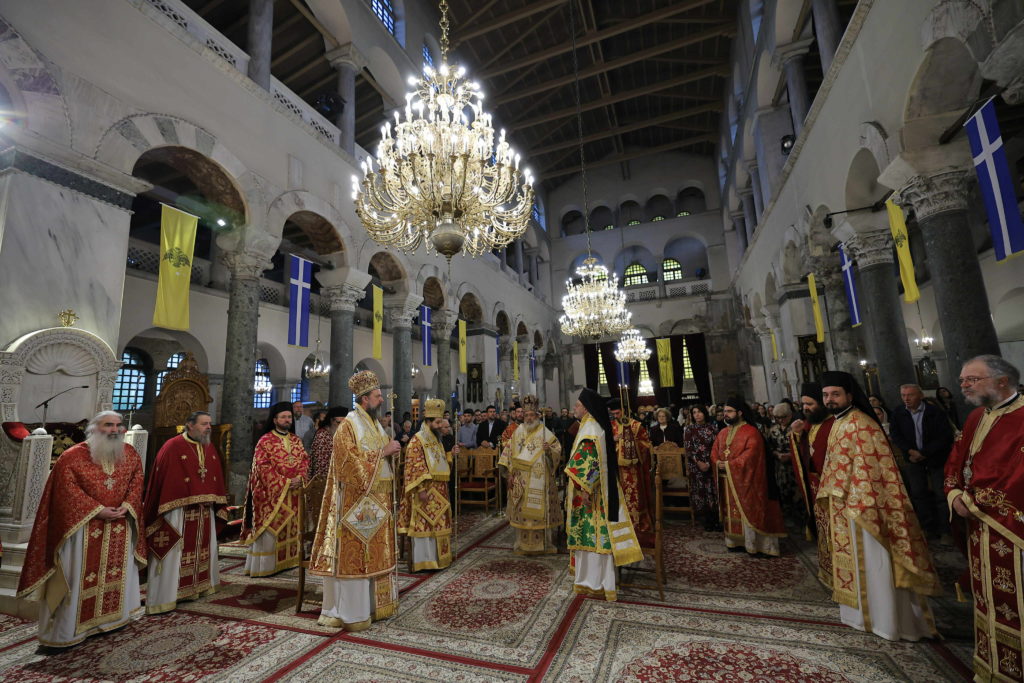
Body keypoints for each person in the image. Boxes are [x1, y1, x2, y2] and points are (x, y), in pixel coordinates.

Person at [818, 371, 940, 641]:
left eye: (835, 394)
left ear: (850, 395)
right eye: (826, 395)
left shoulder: (861, 424)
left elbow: (873, 471)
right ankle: (860, 616)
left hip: (866, 510)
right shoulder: (839, 422)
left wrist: (849, 496)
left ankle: (886, 620)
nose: (830, 400)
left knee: (876, 565)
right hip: (844, 507)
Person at [18, 411, 146, 648]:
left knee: (115, 574)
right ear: (94, 429)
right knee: (76, 579)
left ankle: (112, 620)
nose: (115, 430)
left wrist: (127, 506)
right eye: (109, 425)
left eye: (118, 425)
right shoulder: (72, 457)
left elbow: (137, 481)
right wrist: (98, 510)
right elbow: (66, 491)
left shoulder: (130, 454)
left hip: (119, 525)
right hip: (82, 531)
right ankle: (68, 633)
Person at [944, 355, 1023, 681]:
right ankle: (992, 667)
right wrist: (954, 494)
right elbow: (956, 461)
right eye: (963, 379)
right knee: (987, 600)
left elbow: (1017, 476)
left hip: (1012, 530)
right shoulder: (976, 417)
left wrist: (975, 503)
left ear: (1002, 380)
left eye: (971, 379)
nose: (963, 385)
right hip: (979, 529)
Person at [309, 370, 401, 631]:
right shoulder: (348, 426)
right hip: (354, 505)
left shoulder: (374, 425)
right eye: (377, 396)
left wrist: (392, 453)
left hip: (377, 503)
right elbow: (347, 464)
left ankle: (373, 607)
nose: (381, 400)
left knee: (374, 557)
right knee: (357, 557)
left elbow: (383, 457)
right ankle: (350, 612)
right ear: (364, 399)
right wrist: (383, 452)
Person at [144, 410, 228, 615]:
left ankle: (199, 587)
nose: (209, 427)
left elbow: (214, 478)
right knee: (174, 552)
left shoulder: (209, 447)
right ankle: (167, 596)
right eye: (204, 424)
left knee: (203, 548)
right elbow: (164, 481)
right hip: (176, 512)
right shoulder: (172, 447)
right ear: (190, 425)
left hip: (204, 511)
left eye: (209, 423)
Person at [565, 389, 643, 600]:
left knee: (594, 536)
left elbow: (588, 460)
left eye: (578, 405)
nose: (575, 408)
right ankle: (593, 581)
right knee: (593, 537)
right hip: (598, 490)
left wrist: (584, 487)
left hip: (592, 494)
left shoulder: (590, 428)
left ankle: (595, 582)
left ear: (587, 408)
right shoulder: (592, 426)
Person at [240, 401, 310, 577]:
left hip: (294, 494)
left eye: (289, 417)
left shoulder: (296, 440)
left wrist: (300, 478)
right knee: (271, 531)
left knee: (292, 528)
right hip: (271, 495)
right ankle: (265, 566)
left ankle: (289, 562)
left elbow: (304, 461)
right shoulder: (265, 441)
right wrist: (285, 481)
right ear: (275, 419)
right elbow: (262, 468)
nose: (287, 420)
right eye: (283, 417)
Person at [710, 397, 786, 556]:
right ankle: (735, 541)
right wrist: (717, 462)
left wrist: (730, 465)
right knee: (731, 511)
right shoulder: (723, 432)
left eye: (729, 411)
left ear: (740, 413)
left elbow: (752, 455)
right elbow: (715, 452)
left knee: (749, 509)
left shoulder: (751, 432)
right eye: (724, 412)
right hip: (728, 480)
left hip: (748, 481)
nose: (726, 415)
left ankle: (755, 544)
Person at [889, 383, 955, 542]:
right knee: (918, 494)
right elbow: (895, 434)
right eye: (903, 395)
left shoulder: (935, 412)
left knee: (941, 495)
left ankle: (946, 530)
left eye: (910, 395)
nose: (906, 399)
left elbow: (944, 437)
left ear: (920, 395)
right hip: (912, 459)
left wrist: (924, 453)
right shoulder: (899, 412)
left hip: (935, 458)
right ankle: (927, 528)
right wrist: (909, 451)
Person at [498, 395, 562, 555]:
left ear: (537, 416)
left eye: (532, 415)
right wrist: (510, 474)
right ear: (523, 416)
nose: (529, 418)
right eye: (526, 415)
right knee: (523, 514)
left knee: (541, 513)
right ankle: (521, 544)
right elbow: (508, 454)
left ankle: (544, 544)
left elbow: (557, 451)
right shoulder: (517, 432)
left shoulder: (544, 432)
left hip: (541, 478)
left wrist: (549, 451)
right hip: (521, 479)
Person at [398, 399, 455, 571]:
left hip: (440, 490)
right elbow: (414, 465)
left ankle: (439, 559)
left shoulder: (436, 439)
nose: (440, 425)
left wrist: (451, 456)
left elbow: (440, 463)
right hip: (425, 491)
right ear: (428, 421)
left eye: (440, 422)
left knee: (437, 525)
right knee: (425, 526)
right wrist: (421, 489)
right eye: (437, 422)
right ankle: (425, 562)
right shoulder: (418, 440)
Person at [788, 383, 835, 550]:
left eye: (810, 404)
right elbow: (802, 452)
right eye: (803, 405)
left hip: (831, 486)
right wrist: (797, 435)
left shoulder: (833, 424)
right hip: (814, 484)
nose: (805, 408)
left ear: (821, 403)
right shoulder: (809, 423)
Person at [608, 398, 654, 540]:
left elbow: (646, 445)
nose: (616, 416)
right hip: (616, 470)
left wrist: (630, 442)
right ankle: (620, 525)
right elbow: (603, 445)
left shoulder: (636, 426)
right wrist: (614, 441)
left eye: (617, 413)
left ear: (624, 411)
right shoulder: (610, 426)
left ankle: (638, 524)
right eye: (613, 414)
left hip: (634, 471)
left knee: (635, 497)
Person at [683, 404, 719, 531]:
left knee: (713, 491)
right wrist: (699, 462)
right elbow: (689, 449)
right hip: (696, 466)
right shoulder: (689, 429)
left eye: (699, 412)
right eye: (694, 412)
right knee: (701, 491)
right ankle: (705, 519)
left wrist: (709, 463)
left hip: (711, 463)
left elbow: (717, 447)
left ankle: (716, 517)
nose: (697, 414)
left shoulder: (713, 428)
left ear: (704, 413)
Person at [766, 402, 799, 520]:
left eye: (783, 417)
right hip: (780, 468)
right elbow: (769, 448)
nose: (780, 420)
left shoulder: (796, 428)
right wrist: (777, 454)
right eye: (777, 418)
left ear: (790, 415)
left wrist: (791, 455)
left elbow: (804, 447)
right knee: (782, 493)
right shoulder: (773, 430)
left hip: (795, 467)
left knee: (797, 495)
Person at [309, 406, 347, 479]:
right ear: (331, 421)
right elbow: (320, 465)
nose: (341, 426)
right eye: (338, 422)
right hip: (326, 479)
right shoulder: (322, 436)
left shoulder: (344, 434)